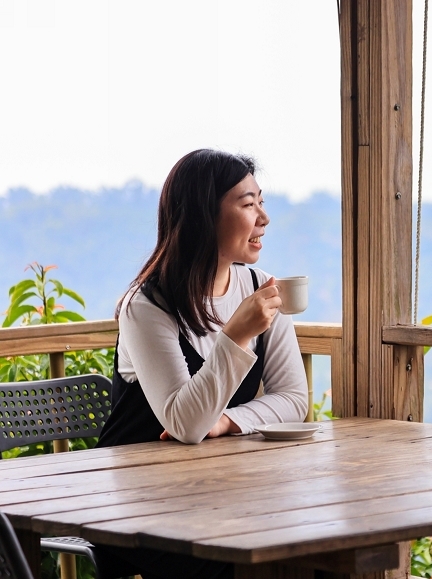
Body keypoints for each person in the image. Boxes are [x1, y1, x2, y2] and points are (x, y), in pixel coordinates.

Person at [94, 149, 308, 579]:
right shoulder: (147, 304)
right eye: (248, 204)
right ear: (202, 217)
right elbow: (187, 424)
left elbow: (294, 398)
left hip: (219, 494)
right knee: (236, 566)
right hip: (138, 507)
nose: (263, 218)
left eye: (261, 202)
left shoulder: (257, 287)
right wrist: (238, 333)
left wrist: (226, 421)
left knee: (310, 552)